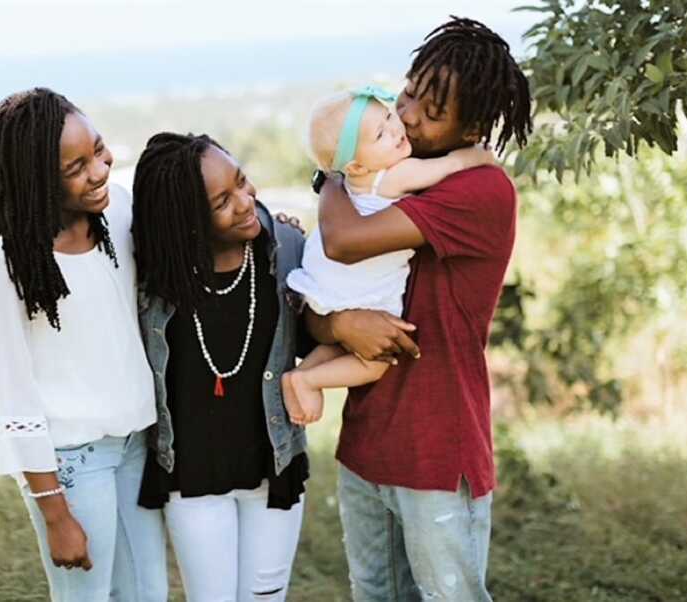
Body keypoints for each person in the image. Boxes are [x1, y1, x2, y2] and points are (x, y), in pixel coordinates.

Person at [304, 17, 533, 601]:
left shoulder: (477, 190)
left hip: (436, 448)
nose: (406, 115)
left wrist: (332, 174)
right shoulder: (387, 179)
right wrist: (338, 323)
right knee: (373, 594)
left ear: (473, 126)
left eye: (431, 111)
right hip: (366, 441)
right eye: (408, 93)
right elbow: (318, 299)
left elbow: (342, 241)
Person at [0, 88, 167, 602]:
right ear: (36, 179)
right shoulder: (11, 264)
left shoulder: (120, 212)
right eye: (75, 167)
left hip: (135, 446)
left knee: (148, 592)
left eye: (99, 150)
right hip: (72, 463)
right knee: (86, 595)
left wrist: (272, 225)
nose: (100, 170)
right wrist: (55, 513)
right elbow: (13, 395)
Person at [132, 132, 312, 602]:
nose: (245, 200)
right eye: (222, 201)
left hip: (272, 465)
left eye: (242, 181)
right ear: (187, 220)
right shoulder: (150, 276)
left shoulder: (286, 246)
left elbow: (324, 328)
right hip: (192, 476)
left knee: (266, 598)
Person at [282, 85, 494, 425]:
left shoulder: (350, 184)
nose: (397, 128)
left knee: (343, 346)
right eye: (381, 134)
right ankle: (308, 379)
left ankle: (301, 374)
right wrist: (480, 156)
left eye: (389, 116)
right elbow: (449, 166)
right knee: (375, 362)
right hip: (361, 287)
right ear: (355, 165)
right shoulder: (396, 175)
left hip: (327, 282)